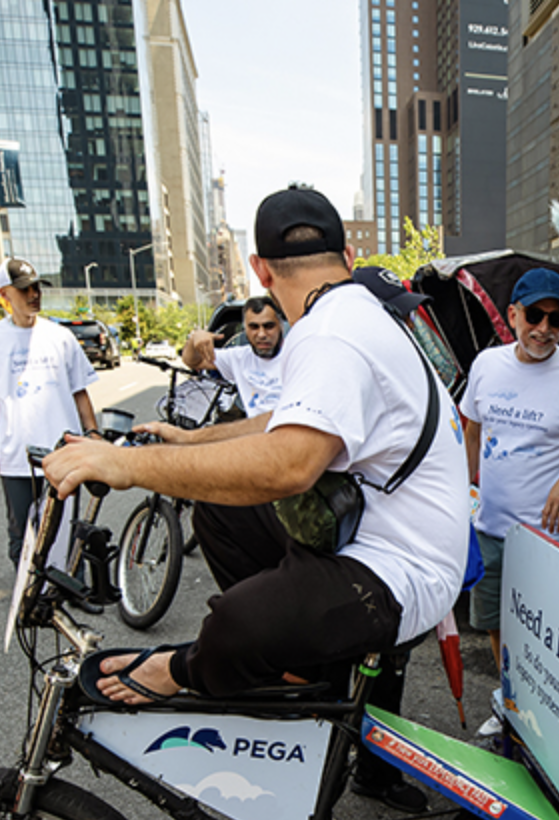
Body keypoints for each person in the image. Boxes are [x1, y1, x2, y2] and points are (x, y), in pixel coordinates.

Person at [41, 183, 469, 777]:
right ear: (346, 259)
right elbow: (287, 419)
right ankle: (291, 660)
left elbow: (287, 464)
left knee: (237, 620)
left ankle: (188, 667)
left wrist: (122, 464)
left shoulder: (328, 332)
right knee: (221, 512)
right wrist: (194, 441)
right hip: (378, 537)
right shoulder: (353, 314)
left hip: (403, 570)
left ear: (260, 269)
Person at [460, 267, 559, 731]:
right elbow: (472, 428)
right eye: (535, 315)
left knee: (552, 635)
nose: (544, 329)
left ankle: (549, 725)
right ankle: (511, 701)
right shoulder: (487, 365)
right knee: (496, 624)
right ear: (513, 314)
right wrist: (462, 490)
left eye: (556, 320)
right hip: (491, 527)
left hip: (552, 538)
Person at [0, 257, 98, 564]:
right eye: (24, 289)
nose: (33, 295)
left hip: (64, 450)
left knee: (68, 527)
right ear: (4, 294)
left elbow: (79, 391)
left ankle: (71, 587)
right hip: (16, 454)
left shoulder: (60, 336)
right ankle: (28, 598)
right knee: (22, 530)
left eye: (36, 287)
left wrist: (92, 432)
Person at [176, 294, 288, 423]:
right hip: (255, 434)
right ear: (245, 328)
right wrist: (194, 339)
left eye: (269, 326)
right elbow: (192, 361)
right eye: (254, 327)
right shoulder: (239, 357)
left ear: (280, 326)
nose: (262, 334)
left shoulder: (297, 355)